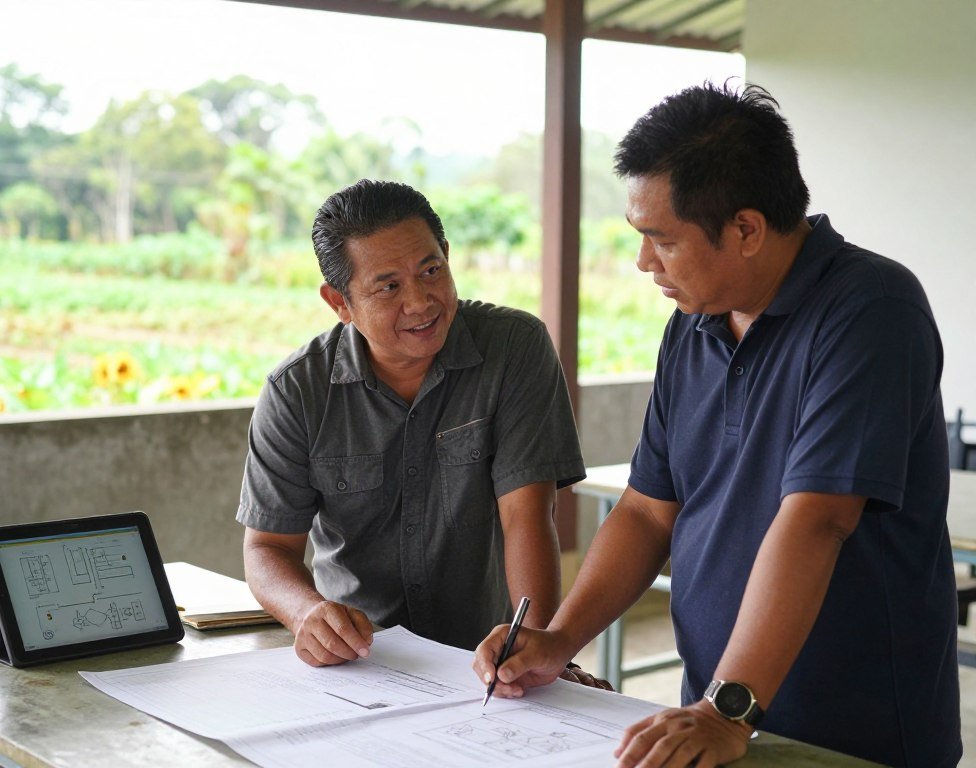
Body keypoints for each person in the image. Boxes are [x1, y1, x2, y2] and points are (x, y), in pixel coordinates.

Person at [474, 82, 961, 768]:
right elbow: (647, 511)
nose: (645, 263)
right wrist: (557, 639)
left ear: (747, 229)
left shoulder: (871, 311)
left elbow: (819, 517)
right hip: (717, 715)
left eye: (662, 241)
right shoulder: (694, 325)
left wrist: (727, 705)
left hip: (849, 727)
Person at [236, 179, 587, 669]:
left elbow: (526, 515)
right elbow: (268, 547)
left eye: (431, 270)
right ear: (339, 302)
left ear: (446, 254)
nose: (421, 302)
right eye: (388, 286)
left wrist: (536, 647)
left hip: (485, 653)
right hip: (363, 661)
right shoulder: (296, 392)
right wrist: (308, 614)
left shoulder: (514, 348)